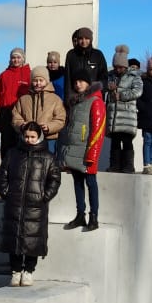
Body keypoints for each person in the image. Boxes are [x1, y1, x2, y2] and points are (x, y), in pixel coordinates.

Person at [0, 122, 62, 287]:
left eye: (33, 137)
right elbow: (3, 173)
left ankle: (29, 271)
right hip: (15, 203)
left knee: (33, 241)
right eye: (27, 136)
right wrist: (5, 192)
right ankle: (16, 270)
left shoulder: (48, 157)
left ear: (39, 136)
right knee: (14, 240)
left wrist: (44, 196)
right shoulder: (13, 153)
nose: (29, 140)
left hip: (36, 207)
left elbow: (54, 179)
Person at [58, 68, 105, 231]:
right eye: (76, 82)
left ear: (88, 83)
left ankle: (94, 217)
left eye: (81, 81)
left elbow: (98, 131)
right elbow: (71, 129)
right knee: (77, 183)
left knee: (91, 184)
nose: (78, 84)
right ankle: (80, 215)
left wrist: (92, 154)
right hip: (75, 151)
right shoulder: (76, 102)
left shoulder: (96, 101)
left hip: (87, 152)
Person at [104, 45, 143, 173]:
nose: (118, 69)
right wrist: (108, 91)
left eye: (120, 67)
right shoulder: (109, 76)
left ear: (126, 66)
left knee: (127, 141)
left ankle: (128, 166)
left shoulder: (134, 76)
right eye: (116, 67)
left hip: (127, 116)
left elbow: (137, 92)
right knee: (115, 142)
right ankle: (114, 165)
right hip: (114, 116)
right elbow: (103, 91)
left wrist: (121, 95)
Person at [12, 65, 66, 154]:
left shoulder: (55, 99)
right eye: (35, 80)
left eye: (41, 80)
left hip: (49, 140)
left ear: (47, 81)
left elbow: (60, 119)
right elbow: (15, 117)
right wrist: (22, 125)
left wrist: (49, 127)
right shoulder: (23, 99)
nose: (38, 83)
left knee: (48, 166)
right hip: (27, 141)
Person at [0, 47, 31, 162]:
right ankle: (5, 169)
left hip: (22, 113)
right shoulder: (4, 74)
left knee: (21, 141)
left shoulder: (29, 74)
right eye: (13, 58)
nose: (15, 60)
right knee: (6, 143)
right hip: (6, 112)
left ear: (23, 59)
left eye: (18, 57)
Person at [64, 27, 109, 93]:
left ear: (91, 39)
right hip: (75, 97)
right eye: (81, 39)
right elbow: (67, 80)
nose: (83, 41)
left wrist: (99, 92)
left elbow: (104, 78)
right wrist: (68, 99)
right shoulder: (71, 55)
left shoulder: (98, 55)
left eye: (86, 38)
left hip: (93, 95)